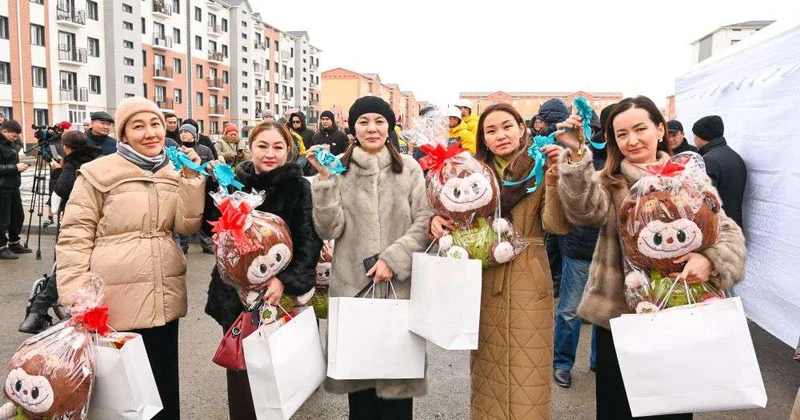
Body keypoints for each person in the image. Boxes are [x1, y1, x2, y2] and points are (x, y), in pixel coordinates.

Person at [556, 96, 747, 420]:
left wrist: (711, 260)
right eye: (621, 134)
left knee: (671, 408)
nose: (632, 140)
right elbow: (584, 212)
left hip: (677, 315)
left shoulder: (689, 180)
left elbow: (728, 232)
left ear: (660, 129)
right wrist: (575, 155)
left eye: (640, 128)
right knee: (619, 409)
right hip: (620, 323)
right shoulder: (610, 182)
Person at [56, 97, 206, 420]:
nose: (150, 133)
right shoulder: (97, 173)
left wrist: (193, 178)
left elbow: (186, 225)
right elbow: (73, 237)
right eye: (138, 126)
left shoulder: (173, 169)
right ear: (123, 135)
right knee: (121, 397)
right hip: (114, 303)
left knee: (163, 390)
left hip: (163, 297)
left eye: (155, 124)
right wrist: (76, 295)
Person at [429, 103, 570, 419]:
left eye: (507, 126)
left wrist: (555, 183)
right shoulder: (474, 174)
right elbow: (451, 213)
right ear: (483, 138)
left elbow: (557, 226)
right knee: (487, 376)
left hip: (529, 279)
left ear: (523, 128)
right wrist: (434, 222)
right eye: (491, 130)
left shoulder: (540, 166)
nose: (500, 135)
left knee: (528, 376)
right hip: (484, 281)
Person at [307, 96, 432, 419]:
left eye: (379, 121)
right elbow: (329, 227)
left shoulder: (410, 169)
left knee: (397, 392)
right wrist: (323, 182)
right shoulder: (338, 168)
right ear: (353, 128)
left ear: (389, 126)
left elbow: (424, 221)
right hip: (353, 289)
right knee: (360, 395)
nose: (372, 128)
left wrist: (394, 257)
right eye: (363, 121)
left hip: (399, 289)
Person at [204, 121, 322, 420]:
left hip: (277, 297)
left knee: (279, 373)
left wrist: (286, 280)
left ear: (288, 150)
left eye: (278, 147)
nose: (270, 154)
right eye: (263, 146)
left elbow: (308, 239)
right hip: (234, 296)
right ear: (250, 147)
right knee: (242, 372)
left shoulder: (297, 186)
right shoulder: (232, 181)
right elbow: (209, 226)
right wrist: (208, 182)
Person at [552, 104, 614, 388]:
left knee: (605, 311)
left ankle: (597, 361)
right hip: (580, 246)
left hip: (613, 252)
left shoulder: (621, 159)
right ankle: (562, 363)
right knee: (569, 310)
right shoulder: (584, 151)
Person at [19, 130, 101, 333]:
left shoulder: (72, 163)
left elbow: (63, 190)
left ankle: (38, 311)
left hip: (76, 219)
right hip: (97, 218)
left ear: (67, 147)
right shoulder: (95, 160)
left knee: (66, 266)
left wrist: (56, 170)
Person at [692, 115, 747, 229]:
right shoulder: (735, 156)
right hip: (734, 221)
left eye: (695, 135)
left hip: (719, 226)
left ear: (702, 136)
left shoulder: (708, 160)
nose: (694, 139)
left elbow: (707, 200)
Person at [174, 123, 215, 254]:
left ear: (194, 134)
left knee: (203, 213)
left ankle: (207, 243)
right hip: (185, 188)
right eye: (181, 132)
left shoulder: (204, 150)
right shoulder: (177, 150)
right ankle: (184, 245)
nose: (183, 134)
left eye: (186, 131)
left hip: (204, 186)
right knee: (185, 214)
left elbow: (212, 164)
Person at [0, 120, 31, 260]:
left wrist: (19, 166)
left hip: (13, 186)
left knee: (18, 216)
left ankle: (14, 243)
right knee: (3, 219)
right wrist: (15, 168)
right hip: (2, 187)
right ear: (4, 131)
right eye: (14, 135)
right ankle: (1, 247)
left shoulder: (11, 144)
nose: (16, 137)